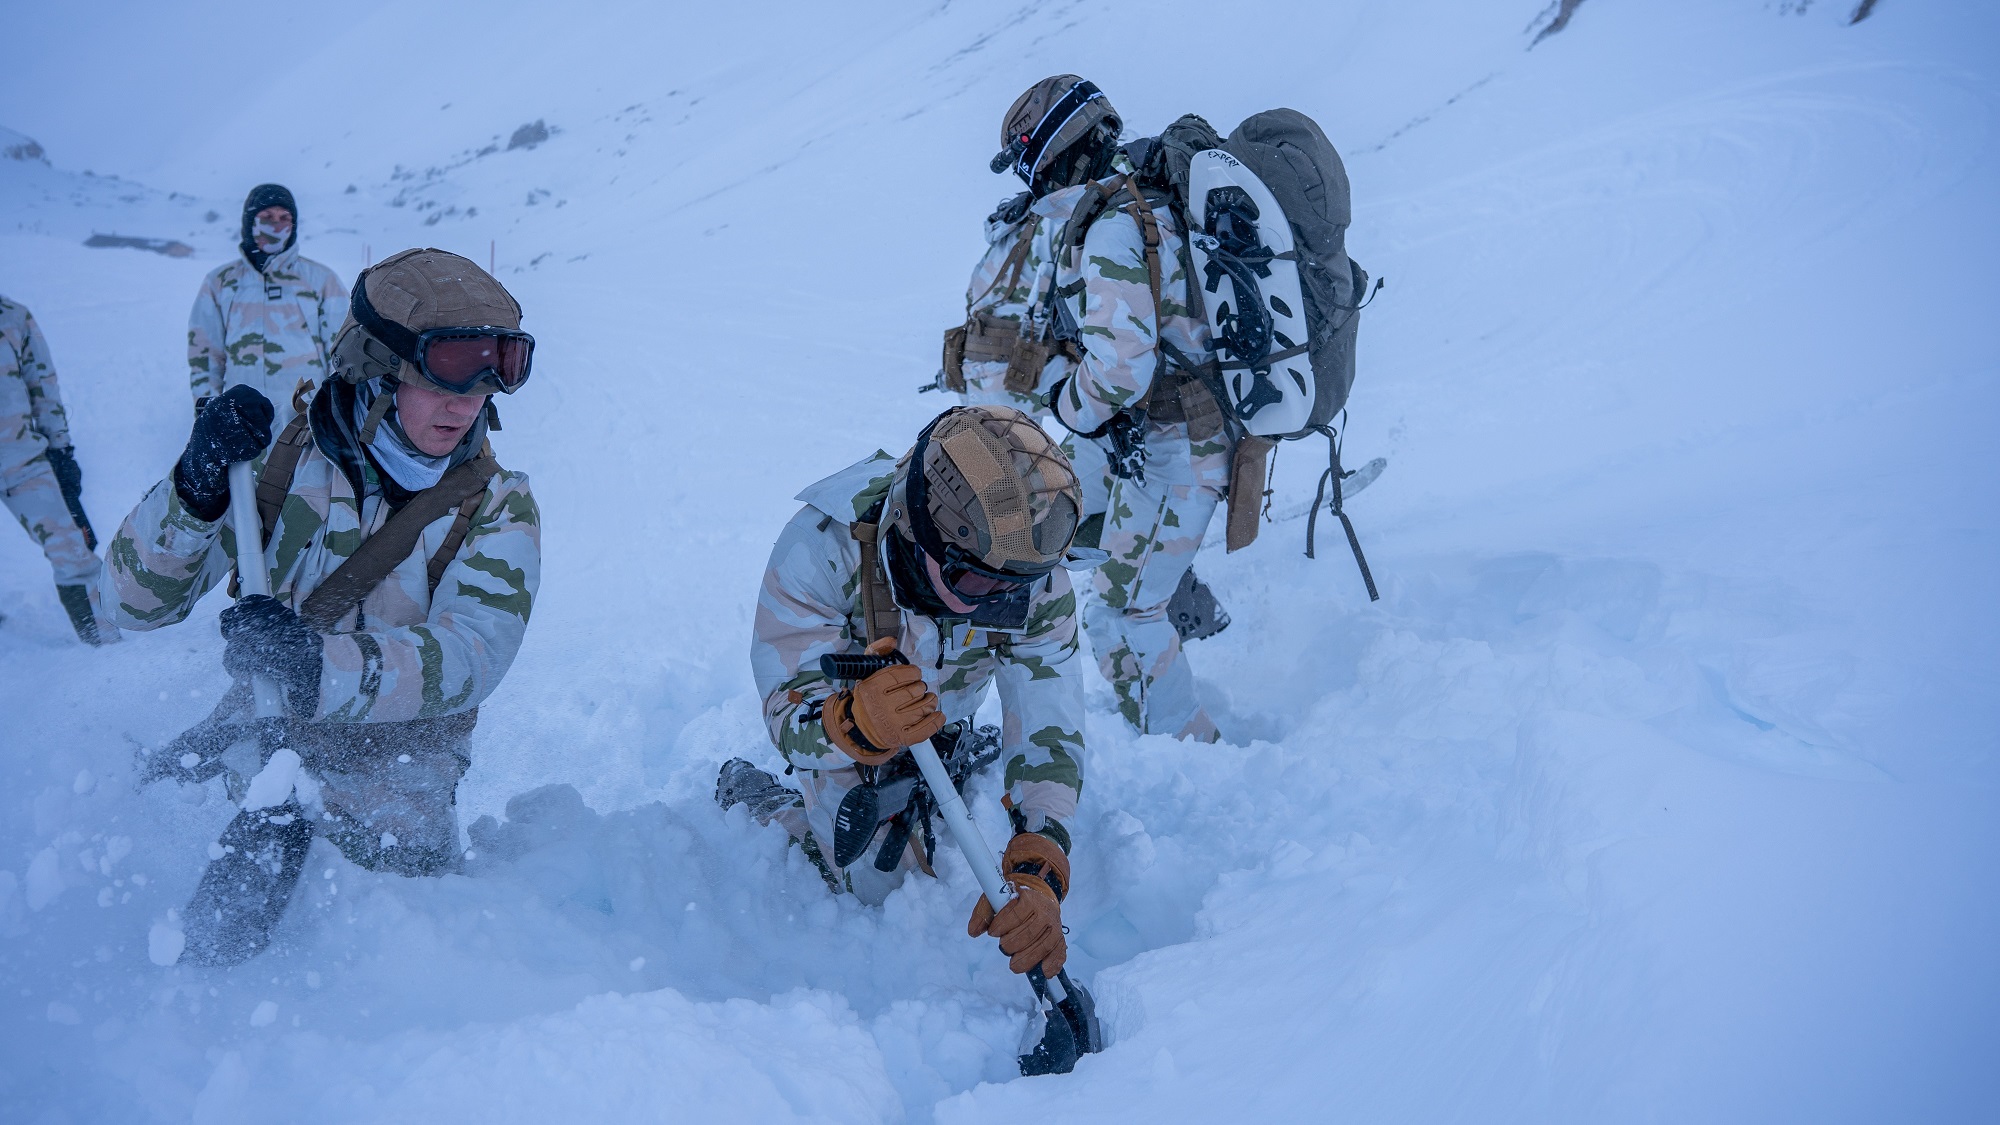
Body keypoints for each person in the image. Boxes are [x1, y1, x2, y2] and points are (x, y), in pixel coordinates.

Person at [113, 248, 541, 966]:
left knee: (348, 973)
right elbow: (133, 604)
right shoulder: (287, 457)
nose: (471, 401)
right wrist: (195, 489)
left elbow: (474, 653)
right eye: (450, 370)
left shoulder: (498, 505)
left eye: (496, 370)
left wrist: (321, 666)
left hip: (392, 806)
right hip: (248, 749)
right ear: (380, 365)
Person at [720, 404, 1084, 979]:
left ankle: (953, 744)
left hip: (944, 709)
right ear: (921, 533)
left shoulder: (1026, 567)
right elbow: (787, 705)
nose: (998, 601)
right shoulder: (820, 549)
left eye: (1014, 588)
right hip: (852, 724)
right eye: (976, 581)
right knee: (872, 886)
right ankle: (767, 803)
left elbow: (1050, 721)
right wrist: (855, 725)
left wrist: (1042, 859)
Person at [1041, 110, 1237, 741]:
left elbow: (1121, 372)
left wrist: (1065, 403)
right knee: (1121, 591)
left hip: (1181, 445)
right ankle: (1171, 734)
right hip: (1190, 434)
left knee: (1127, 610)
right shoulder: (1155, 203)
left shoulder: (1113, 229)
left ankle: (1187, 752)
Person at [0, 293, 116, 644]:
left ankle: (108, 651)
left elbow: (42, 386)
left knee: (74, 554)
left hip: (20, 460)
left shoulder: (13, 316)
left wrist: (61, 450)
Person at [187, 183, 347, 436]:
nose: (276, 225)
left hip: (306, 419)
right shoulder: (220, 282)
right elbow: (204, 355)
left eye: (285, 218)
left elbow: (343, 352)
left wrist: (337, 412)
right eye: (267, 217)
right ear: (250, 222)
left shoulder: (322, 280)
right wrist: (209, 412)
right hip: (240, 419)